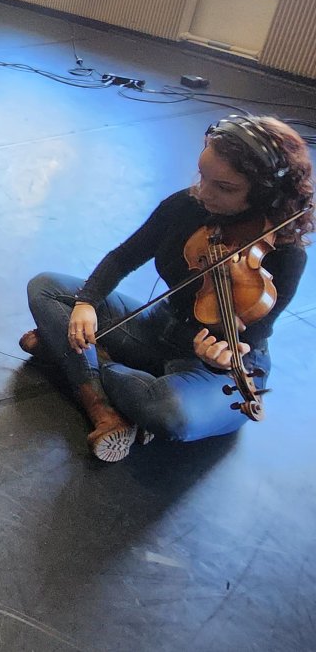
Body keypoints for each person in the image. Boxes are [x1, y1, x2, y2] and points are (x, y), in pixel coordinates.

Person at [21, 115, 312, 462]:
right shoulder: (186, 205)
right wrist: (86, 302)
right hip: (158, 329)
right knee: (46, 287)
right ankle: (102, 392)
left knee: (169, 413)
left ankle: (75, 361)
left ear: (265, 192)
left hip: (214, 368)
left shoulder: (285, 255)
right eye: (203, 176)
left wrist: (219, 359)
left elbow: (249, 336)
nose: (204, 192)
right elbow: (122, 258)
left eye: (224, 187)